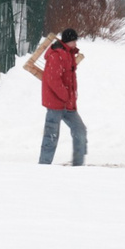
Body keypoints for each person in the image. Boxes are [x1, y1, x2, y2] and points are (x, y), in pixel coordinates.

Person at [22, 27, 86, 165]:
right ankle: (44, 165)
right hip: (56, 104)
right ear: (67, 41)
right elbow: (53, 79)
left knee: (80, 131)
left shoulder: (69, 54)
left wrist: (70, 98)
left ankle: (79, 165)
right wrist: (65, 95)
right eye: (73, 41)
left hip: (68, 104)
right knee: (51, 137)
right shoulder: (56, 55)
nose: (75, 44)